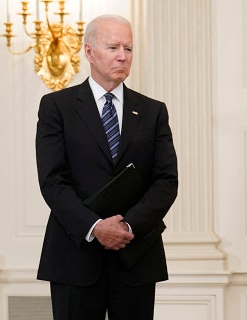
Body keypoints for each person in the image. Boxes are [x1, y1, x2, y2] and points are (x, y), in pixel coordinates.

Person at [35, 14, 178, 320]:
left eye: (128, 48)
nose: (123, 56)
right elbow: (52, 180)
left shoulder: (153, 111)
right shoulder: (56, 107)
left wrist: (127, 227)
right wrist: (96, 227)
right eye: (113, 47)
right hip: (74, 256)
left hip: (136, 255)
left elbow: (166, 181)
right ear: (89, 52)